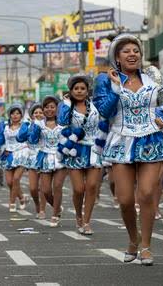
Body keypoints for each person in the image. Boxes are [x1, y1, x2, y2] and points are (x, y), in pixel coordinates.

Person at [93, 33, 163, 266]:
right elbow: (105, 111)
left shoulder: (153, 76)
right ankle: (133, 239)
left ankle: (146, 247)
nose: (133, 54)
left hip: (151, 140)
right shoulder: (105, 80)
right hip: (121, 141)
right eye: (126, 51)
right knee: (124, 200)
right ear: (117, 58)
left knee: (146, 194)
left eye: (136, 51)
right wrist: (114, 87)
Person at [57, 74, 104, 235]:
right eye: (76, 88)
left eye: (82, 88)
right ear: (70, 91)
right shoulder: (67, 106)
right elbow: (62, 122)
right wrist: (66, 103)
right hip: (75, 150)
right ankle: (78, 215)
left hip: (94, 149)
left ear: (87, 90)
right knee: (78, 189)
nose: (79, 91)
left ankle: (86, 221)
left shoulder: (95, 105)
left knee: (91, 187)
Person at [29, 96, 65, 226]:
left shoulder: (63, 123)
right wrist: (35, 126)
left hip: (60, 158)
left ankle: (55, 215)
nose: (49, 110)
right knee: (45, 190)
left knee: (57, 187)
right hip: (44, 157)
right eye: (47, 107)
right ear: (43, 109)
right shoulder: (39, 124)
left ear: (57, 109)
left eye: (52, 107)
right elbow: (32, 140)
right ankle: (57, 207)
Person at [0, 105, 28, 213]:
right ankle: (22, 198)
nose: (15, 115)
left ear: (21, 115)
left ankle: (12, 202)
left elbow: (31, 137)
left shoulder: (26, 125)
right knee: (9, 182)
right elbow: (0, 138)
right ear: (10, 115)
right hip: (8, 154)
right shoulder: (4, 125)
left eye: (17, 113)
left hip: (22, 153)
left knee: (16, 179)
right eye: (13, 113)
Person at [22, 103, 48, 219]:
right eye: (36, 113)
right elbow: (21, 137)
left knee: (43, 187)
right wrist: (25, 126)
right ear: (32, 115)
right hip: (32, 158)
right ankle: (37, 205)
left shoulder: (48, 125)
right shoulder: (28, 126)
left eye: (41, 112)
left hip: (44, 157)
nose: (38, 114)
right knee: (33, 188)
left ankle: (42, 209)